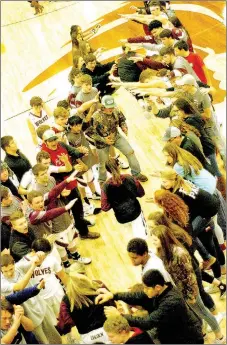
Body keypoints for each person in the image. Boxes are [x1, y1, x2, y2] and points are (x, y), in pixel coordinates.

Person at [150, 225, 226, 343]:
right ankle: (203, 331)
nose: (152, 242)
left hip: (190, 290)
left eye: (155, 239)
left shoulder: (179, 253)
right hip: (182, 290)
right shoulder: (163, 252)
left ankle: (220, 336)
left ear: (163, 239)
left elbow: (190, 276)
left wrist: (191, 294)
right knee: (197, 312)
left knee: (203, 312)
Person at [95, 269, 204, 344]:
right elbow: (137, 296)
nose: (144, 291)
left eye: (146, 288)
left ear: (157, 287)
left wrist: (121, 316)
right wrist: (113, 295)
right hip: (175, 336)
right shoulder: (160, 290)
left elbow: (148, 322)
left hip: (188, 339)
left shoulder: (171, 301)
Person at [148, 210, 226, 301]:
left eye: (152, 226)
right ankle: (221, 285)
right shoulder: (170, 231)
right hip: (189, 262)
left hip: (188, 262)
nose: (150, 229)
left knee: (200, 292)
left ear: (160, 224)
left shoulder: (174, 235)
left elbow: (188, 248)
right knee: (199, 278)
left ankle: (214, 311)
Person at [1, 253, 62, 344]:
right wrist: (33, 267)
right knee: (43, 341)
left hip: (40, 307)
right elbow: (20, 286)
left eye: (11, 269)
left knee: (54, 336)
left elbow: (36, 261)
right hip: (28, 315)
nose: (9, 273)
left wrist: (38, 255)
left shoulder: (18, 267)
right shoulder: (2, 283)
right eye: (5, 271)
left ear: (14, 264)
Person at [90, 95, 148, 184]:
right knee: (103, 163)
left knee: (130, 152)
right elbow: (91, 133)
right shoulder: (95, 116)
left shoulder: (116, 110)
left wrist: (124, 127)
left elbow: (122, 120)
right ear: (103, 106)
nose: (111, 109)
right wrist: (103, 140)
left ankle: (136, 173)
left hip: (116, 136)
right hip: (101, 143)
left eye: (112, 106)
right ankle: (102, 180)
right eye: (109, 107)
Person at [19, 238, 68, 321]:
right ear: (34, 251)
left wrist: (70, 290)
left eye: (46, 254)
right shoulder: (23, 264)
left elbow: (63, 276)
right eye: (42, 255)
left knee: (65, 320)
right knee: (53, 324)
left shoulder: (51, 259)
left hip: (56, 293)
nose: (45, 257)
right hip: (40, 300)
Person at [56, 271, 113, 342]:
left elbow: (65, 323)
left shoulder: (66, 299)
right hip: (108, 332)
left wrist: (62, 329)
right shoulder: (98, 287)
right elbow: (112, 305)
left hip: (88, 338)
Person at [101, 159, 147, 238]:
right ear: (119, 166)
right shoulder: (130, 178)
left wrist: (114, 202)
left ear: (107, 170)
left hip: (121, 217)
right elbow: (141, 193)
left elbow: (104, 207)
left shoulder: (105, 186)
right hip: (136, 213)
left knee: (130, 239)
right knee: (142, 237)